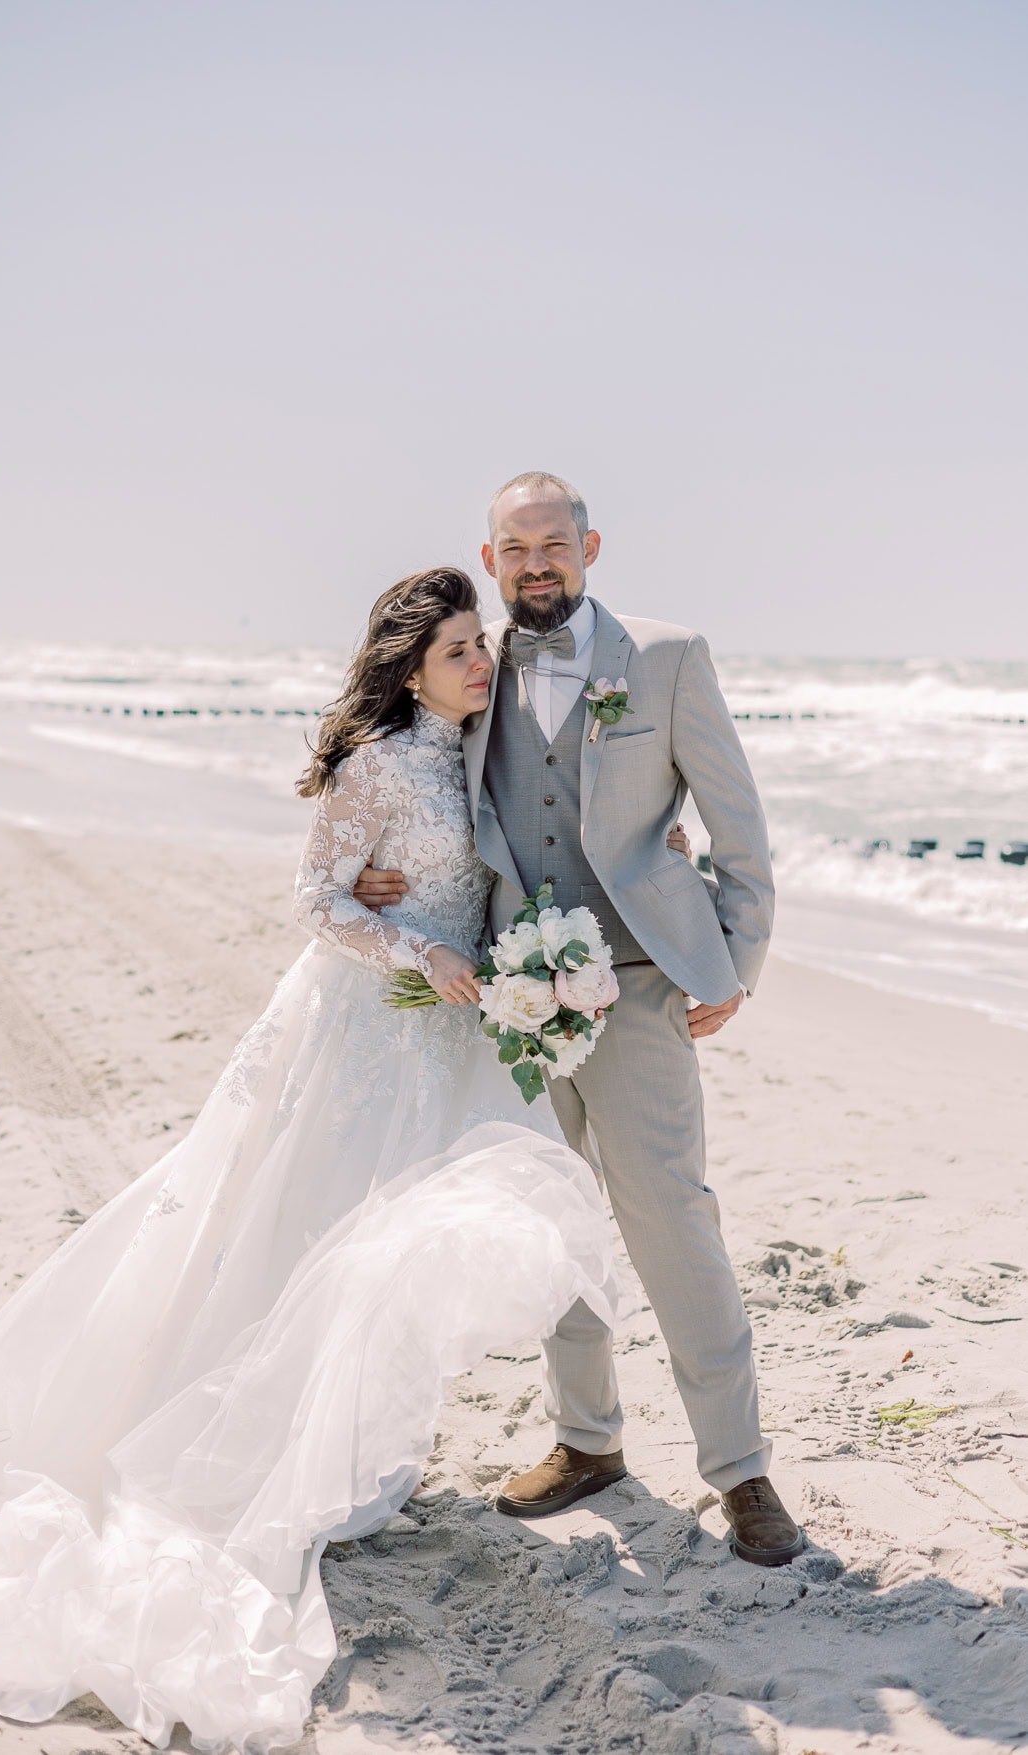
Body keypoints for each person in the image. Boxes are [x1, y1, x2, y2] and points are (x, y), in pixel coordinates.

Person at [0, 568, 687, 1755]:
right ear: (410, 672)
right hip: (364, 1031)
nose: (480, 662)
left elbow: (548, 823)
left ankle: (347, 1450)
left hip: (447, 1041)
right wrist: (414, 943)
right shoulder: (376, 765)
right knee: (306, 1234)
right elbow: (316, 899)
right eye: (458, 649)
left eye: (478, 644)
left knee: (399, 1250)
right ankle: (246, 1445)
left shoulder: (478, 745)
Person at [354, 473, 803, 1568]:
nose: (536, 564)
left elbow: (737, 823)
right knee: (553, 1220)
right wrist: (379, 879)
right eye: (516, 549)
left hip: (643, 982)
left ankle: (741, 1469)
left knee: (674, 1223)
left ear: (590, 547)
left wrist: (735, 959)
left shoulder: (668, 656)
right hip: (513, 996)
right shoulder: (469, 669)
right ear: (490, 558)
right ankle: (587, 1440)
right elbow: (410, 787)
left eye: (553, 543)